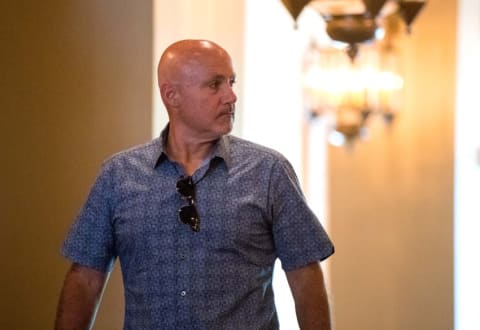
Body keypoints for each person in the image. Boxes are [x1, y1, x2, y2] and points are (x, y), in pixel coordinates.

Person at [55, 39, 334, 330]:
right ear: (171, 95)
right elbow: (85, 279)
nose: (231, 96)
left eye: (231, 82)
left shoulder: (269, 171)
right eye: (215, 85)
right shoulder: (118, 175)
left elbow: (305, 278)